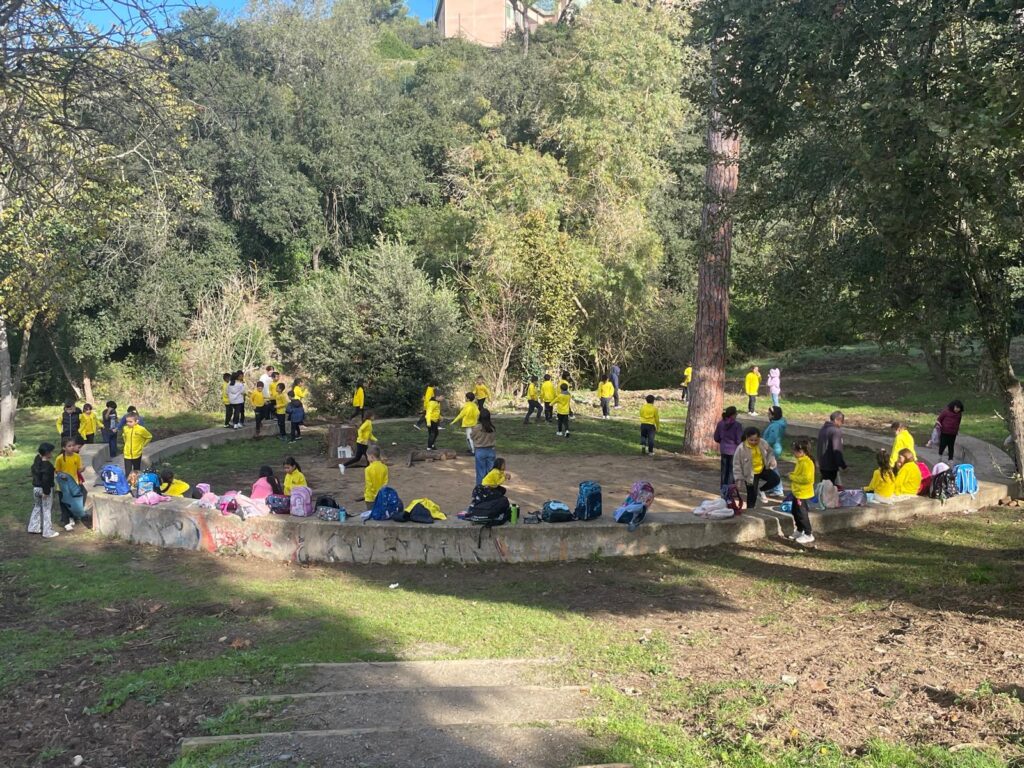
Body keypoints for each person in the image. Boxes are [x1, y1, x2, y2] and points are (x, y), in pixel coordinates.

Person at [733, 427, 781, 508]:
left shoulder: (762, 442)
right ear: (747, 438)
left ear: (759, 438)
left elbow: (770, 451)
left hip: (762, 469)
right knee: (752, 494)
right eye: (751, 440)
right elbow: (736, 464)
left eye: (756, 440)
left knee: (775, 479)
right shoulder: (741, 448)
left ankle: (761, 490)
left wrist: (772, 459)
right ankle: (750, 509)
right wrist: (738, 479)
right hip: (750, 473)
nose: (754, 442)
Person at [788, 440, 816, 544]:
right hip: (797, 492)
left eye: (795, 451)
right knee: (795, 511)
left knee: (801, 514)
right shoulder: (800, 461)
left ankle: (808, 534)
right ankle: (800, 530)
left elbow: (807, 479)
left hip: (802, 493)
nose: (793, 453)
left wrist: (792, 477)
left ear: (801, 451)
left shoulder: (807, 463)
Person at [28, 442, 59, 539]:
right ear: (47, 453)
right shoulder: (47, 466)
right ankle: (47, 532)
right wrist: (46, 492)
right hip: (45, 490)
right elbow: (46, 480)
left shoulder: (37, 463)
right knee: (47, 510)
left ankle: (33, 527)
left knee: (37, 506)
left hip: (36, 489)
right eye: (51, 452)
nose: (52, 454)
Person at [54, 437, 84, 531]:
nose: (72, 447)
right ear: (64, 448)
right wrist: (62, 476)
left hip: (74, 485)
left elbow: (79, 469)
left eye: (73, 445)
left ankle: (72, 517)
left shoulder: (77, 456)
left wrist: (82, 469)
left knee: (73, 502)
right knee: (64, 503)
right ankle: (66, 522)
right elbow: (57, 471)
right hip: (63, 486)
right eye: (69, 446)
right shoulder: (59, 458)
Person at [713, 406, 744, 489]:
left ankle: (723, 487)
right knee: (731, 470)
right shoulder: (737, 425)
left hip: (723, 449)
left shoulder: (720, 424)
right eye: (736, 413)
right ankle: (730, 488)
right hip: (734, 451)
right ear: (733, 414)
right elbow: (739, 440)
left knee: (724, 469)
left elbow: (716, 437)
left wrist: (722, 442)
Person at [816, 411, 847, 485]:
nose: (842, 424)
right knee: (829, 487)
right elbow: (836, 450)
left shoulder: (823, 429)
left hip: (822, 463)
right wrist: (843, 465)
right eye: (842, 421)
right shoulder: (836, 431)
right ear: (836, 420)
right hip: (830, 466)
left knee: (823, 486)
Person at [471, 408, 497, 486]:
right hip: (491, 450)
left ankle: (480, 488)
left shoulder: (477, 428)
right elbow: (493, 438)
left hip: (480, 450)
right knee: (491, 472)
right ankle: (491, 488)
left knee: (480, 472)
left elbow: (472, 437)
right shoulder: (492, 428)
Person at [363, 446, 388, 511]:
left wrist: (374, 495)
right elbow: (385, 483)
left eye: (367, 456)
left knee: (371, 513)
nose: (367, 458)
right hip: (381, 496)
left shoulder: (368, 469)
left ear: (372, 457)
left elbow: (369, 485)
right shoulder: (385, 467)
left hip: (370, 498)